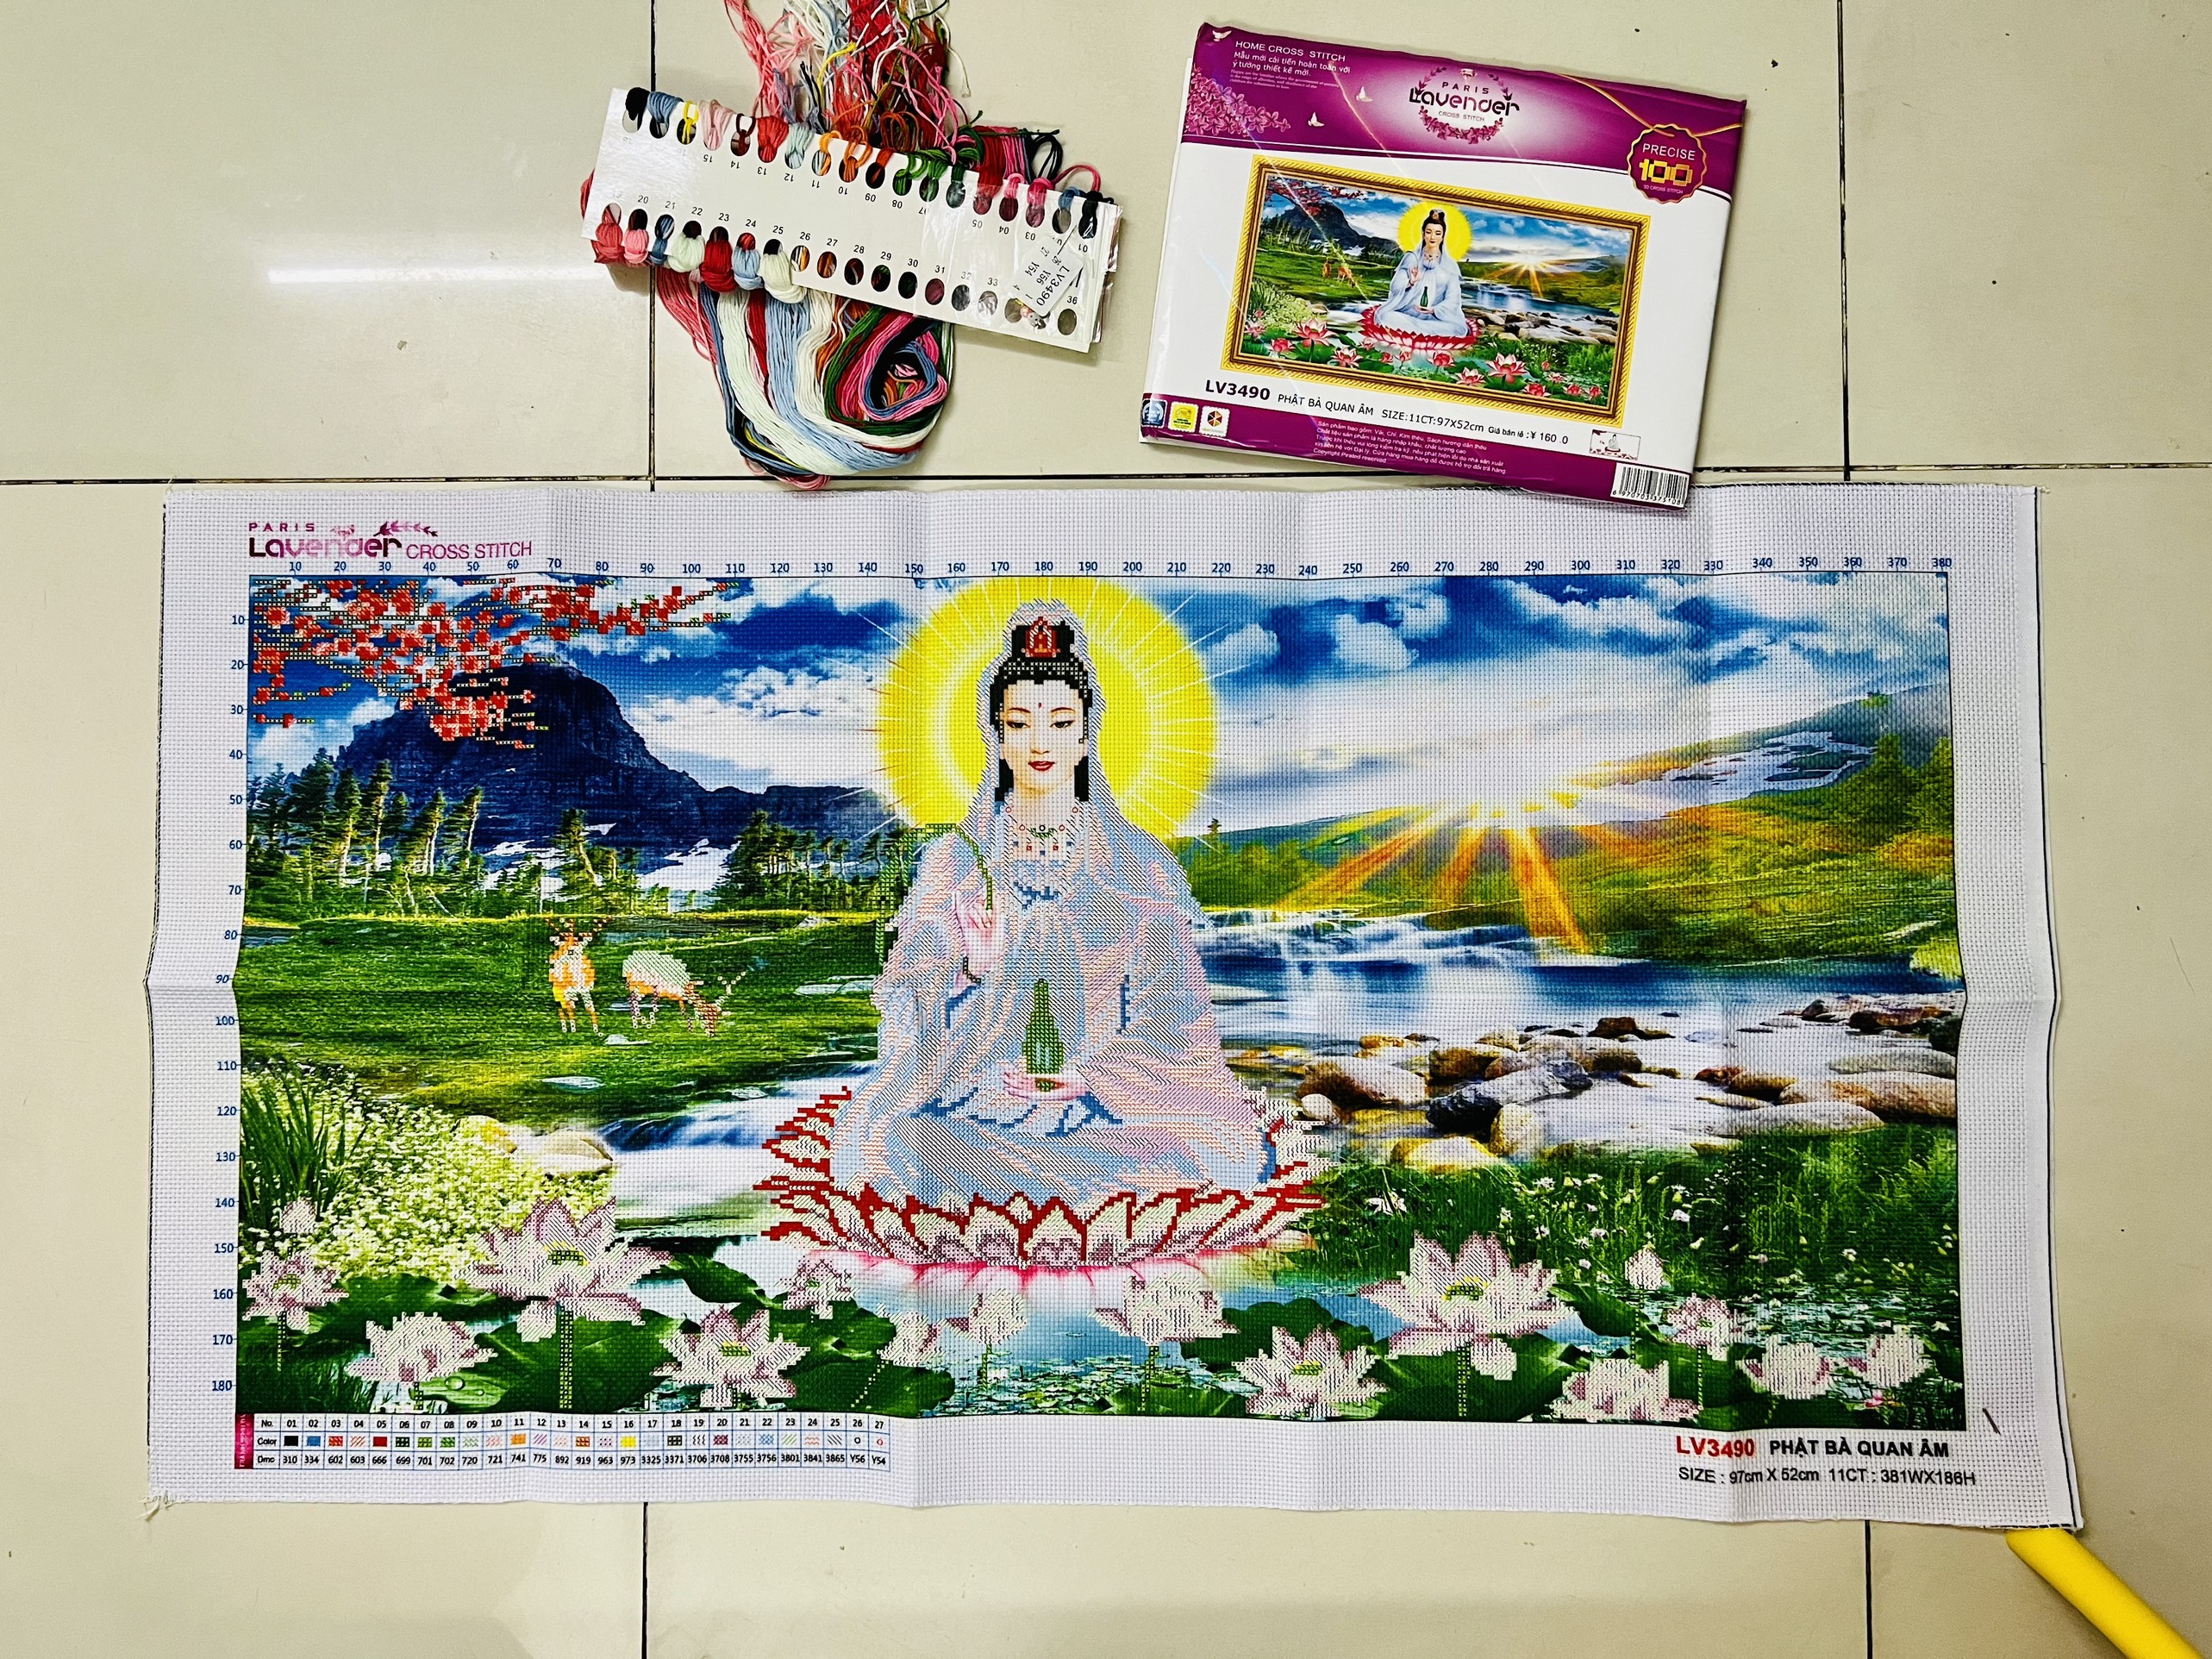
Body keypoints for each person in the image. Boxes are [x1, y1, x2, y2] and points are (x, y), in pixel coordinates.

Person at [830, 604, 1270, 1211]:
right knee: (895, 1141)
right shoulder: (955, 862)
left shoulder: (1137, 863)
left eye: (1061, 723)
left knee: (1213, 1152)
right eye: (1019, 724)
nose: (1041, 743)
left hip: (1110, 1114)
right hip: (972, 1108)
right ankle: (1059, 1192)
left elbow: (1179, 1026)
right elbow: (905, 1028)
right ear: (996, 736)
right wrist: (972, 973)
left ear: (1086, 735)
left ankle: (1039, 1189)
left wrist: (1092, 1077)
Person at [1368, 207, 1472, 339]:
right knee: (1385, 316)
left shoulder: (1450, 265)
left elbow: (1453, 300)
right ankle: (1423, 333)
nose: (1432, 237)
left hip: (1435, 318)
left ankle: (1416, 332)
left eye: (1437, 233)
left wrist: (1434, 310)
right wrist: (1410, 282)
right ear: (1423, 234)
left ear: (1443, 237)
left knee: (1457, 329)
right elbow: (1395, 287)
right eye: (1429, 232)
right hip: (1407, 313)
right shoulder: (1412, 258)